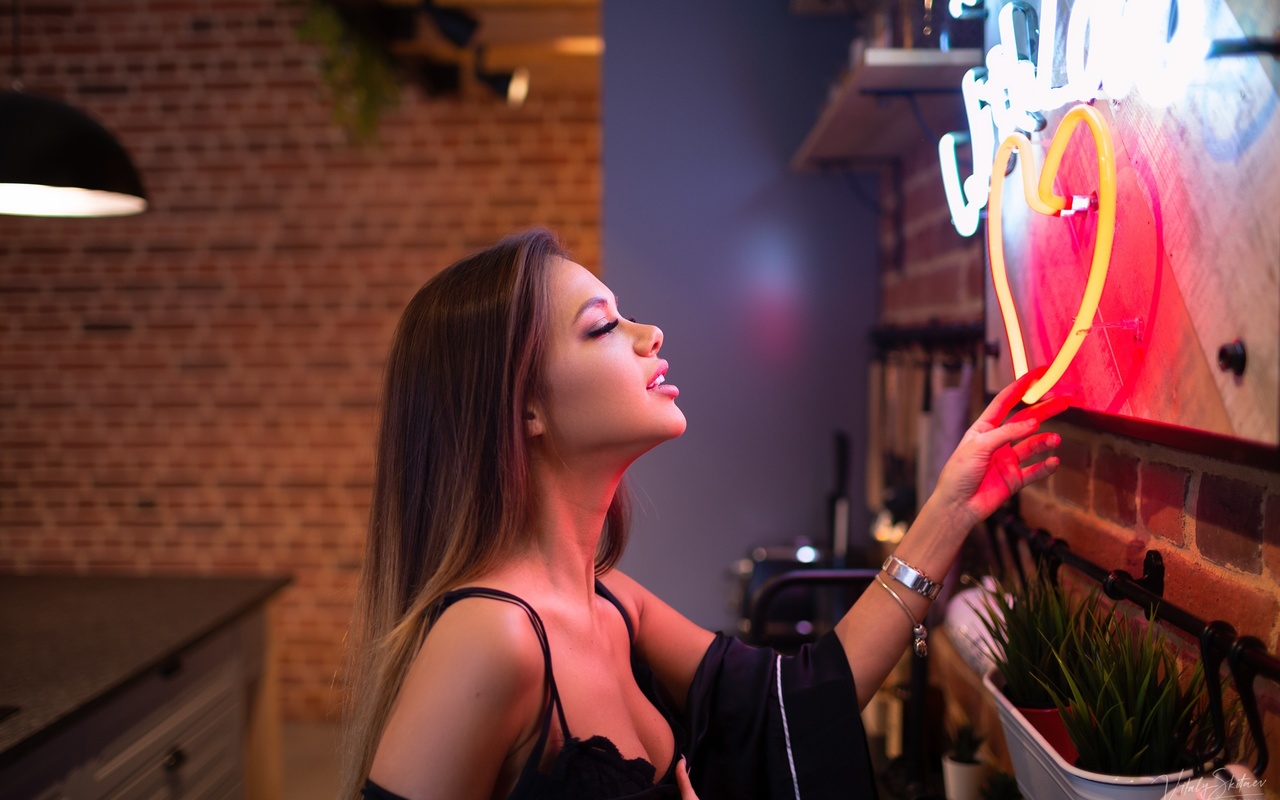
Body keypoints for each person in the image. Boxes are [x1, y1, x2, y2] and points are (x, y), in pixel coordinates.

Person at [340, 229, 1067, 800]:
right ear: (522, 406)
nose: (649, 333)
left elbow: (796, 703)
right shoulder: (492, 637)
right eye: (602, 327)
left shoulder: (610, 603)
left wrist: (953, 507)